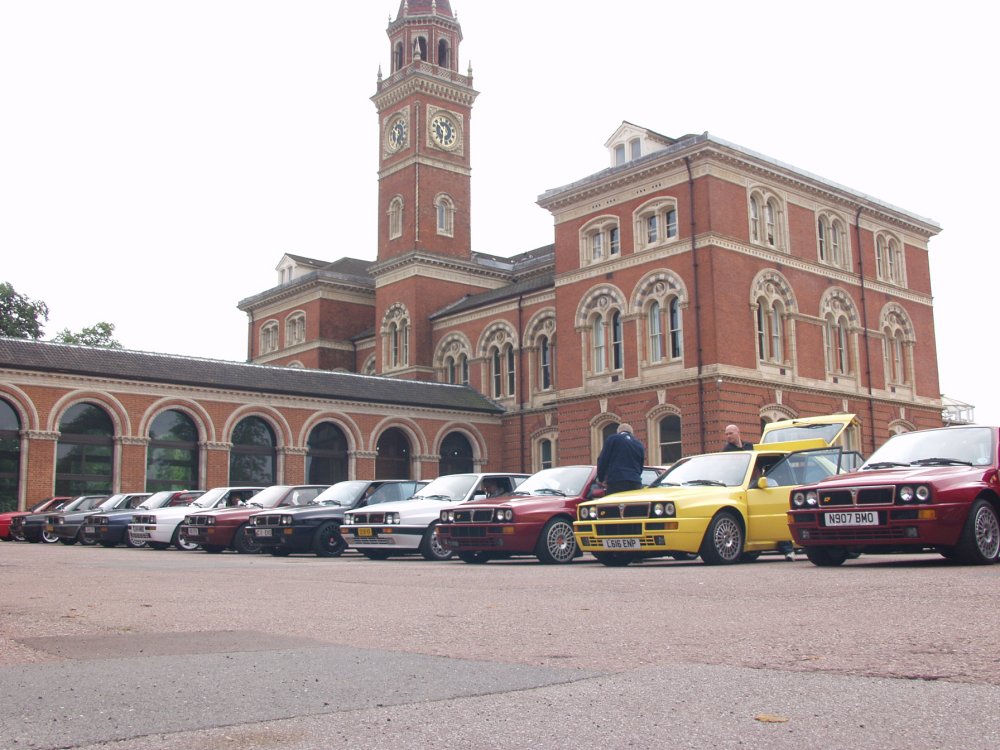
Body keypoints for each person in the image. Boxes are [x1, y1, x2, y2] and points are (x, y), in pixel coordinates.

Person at [596, 423, 645, 495]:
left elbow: (603, 460)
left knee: (615, 505)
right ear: (631, 433)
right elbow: (641, 465)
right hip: (635, 481)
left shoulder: (613, 439)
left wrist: (601, 478)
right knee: (633, 505)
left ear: (618, 431)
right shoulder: (639, 444)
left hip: (616, 480)